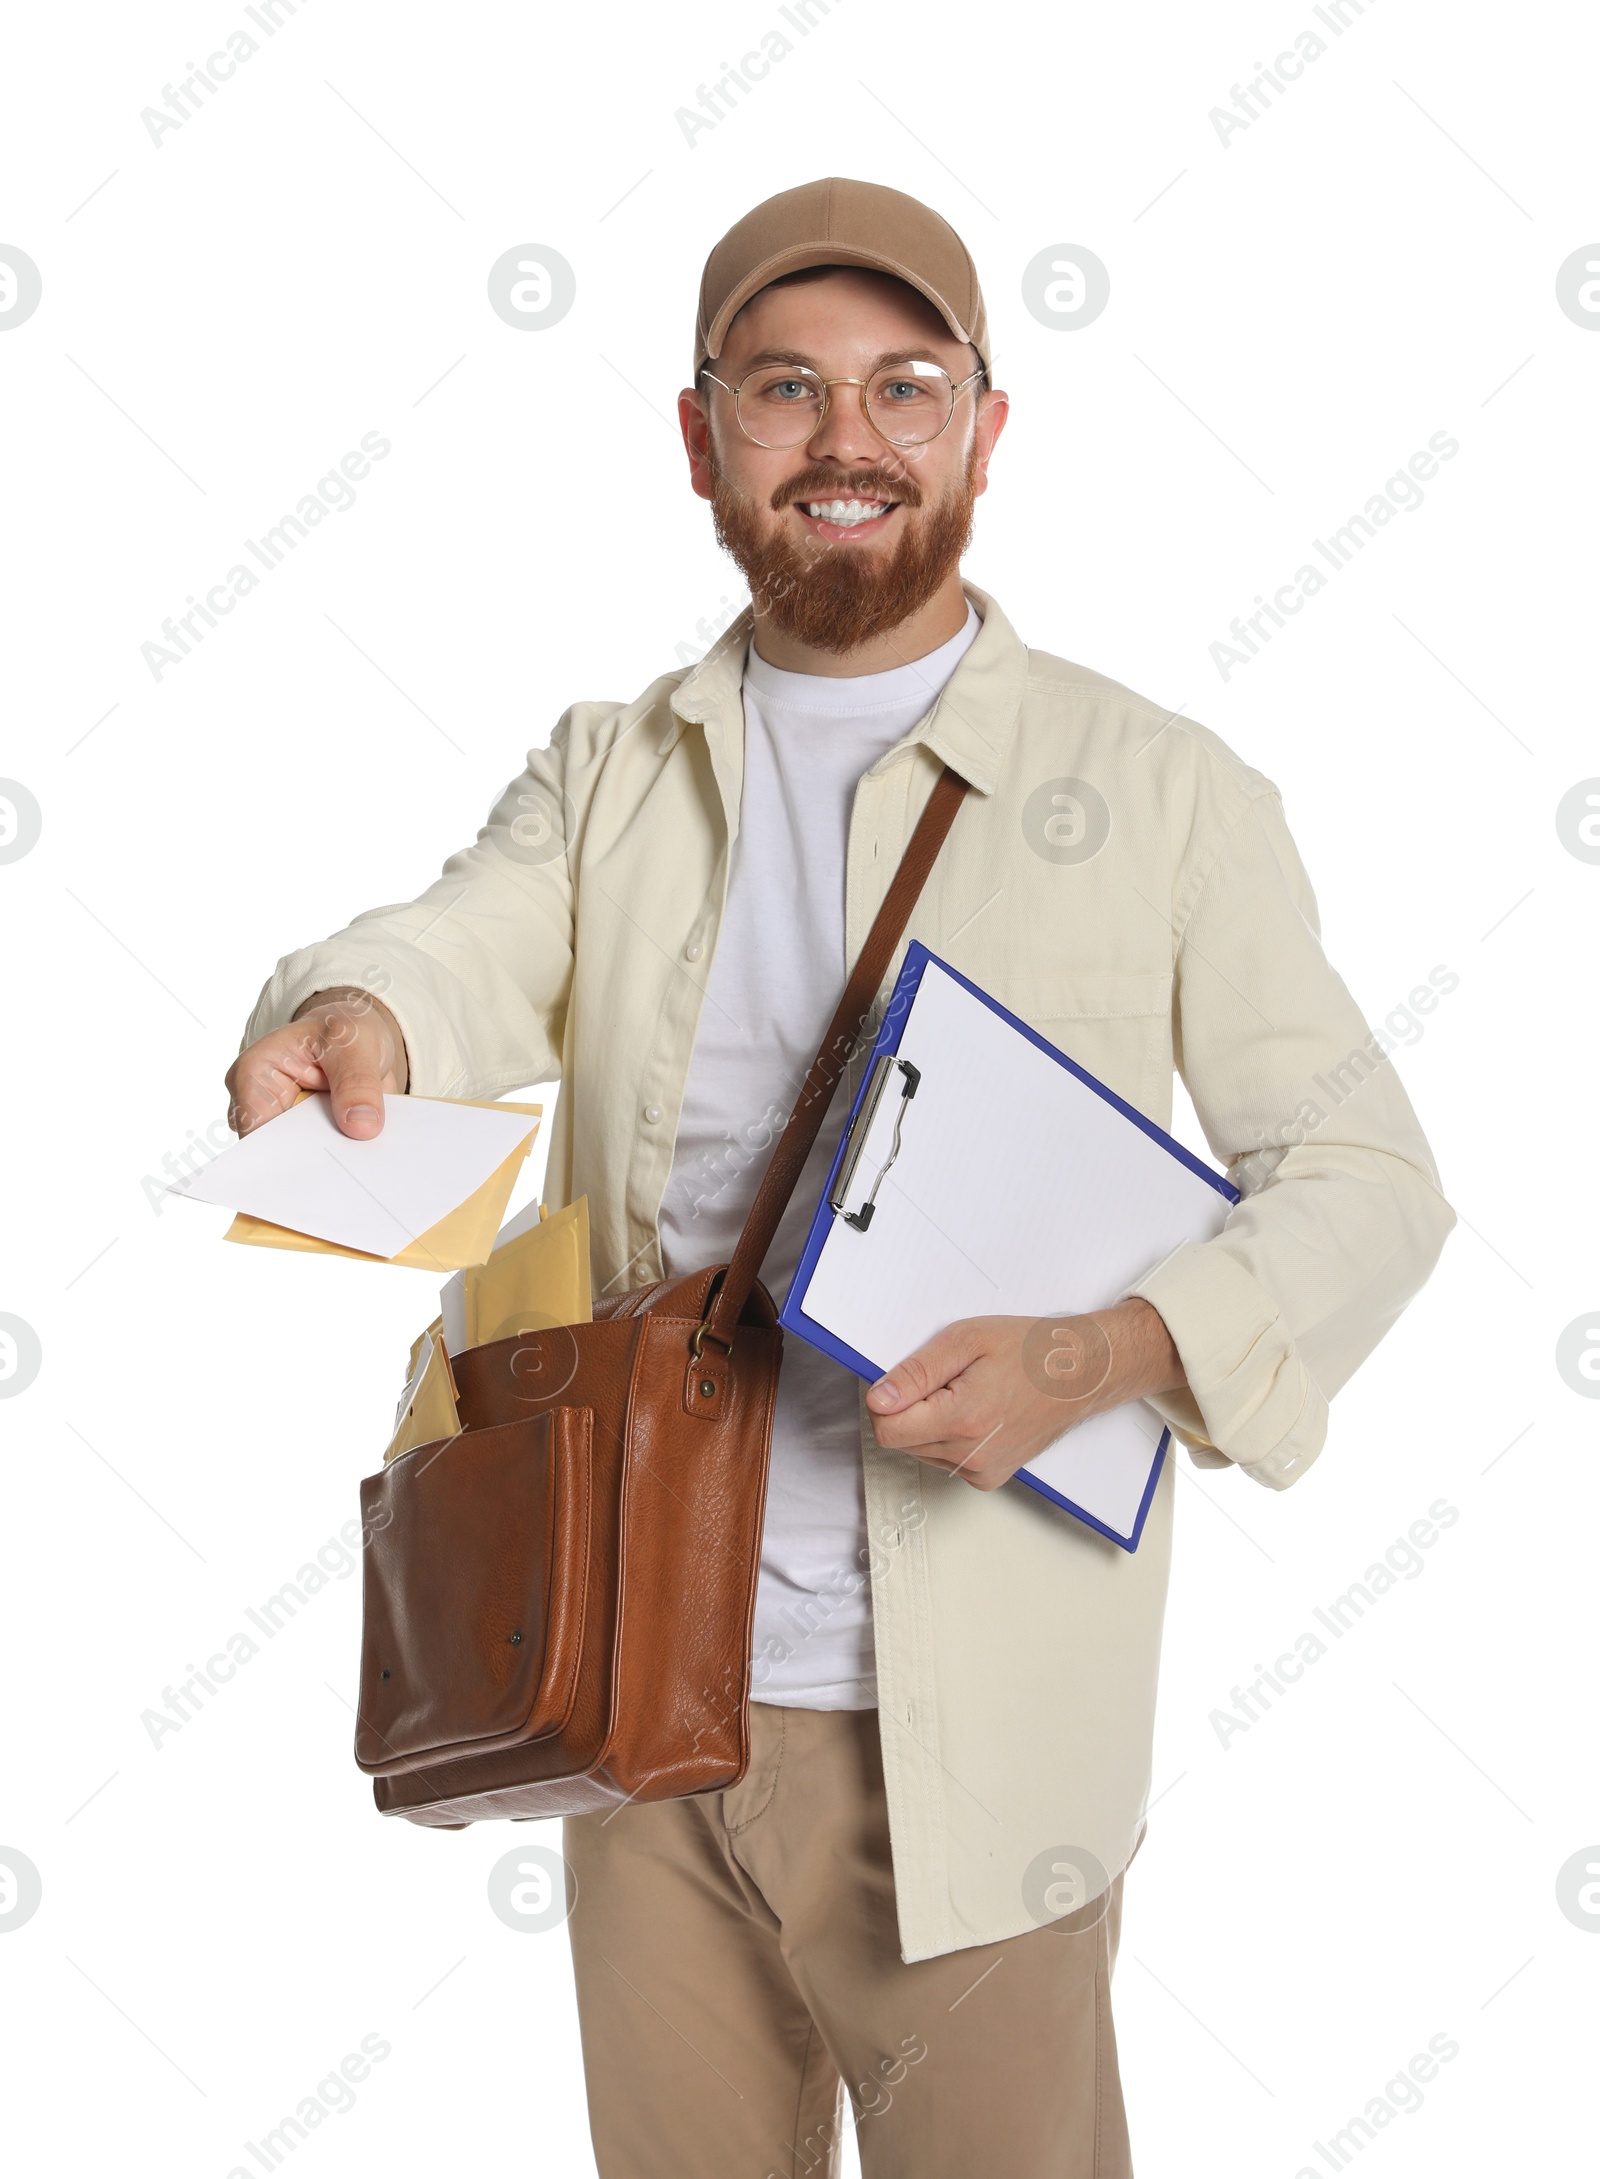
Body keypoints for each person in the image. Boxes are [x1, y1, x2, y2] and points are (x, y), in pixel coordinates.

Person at [227, 177, 1454, 2178]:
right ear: (701, 436)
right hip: (632, 1700)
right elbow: (454, 947)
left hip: (975, 1748)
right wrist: (357, 1007)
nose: (845, 439)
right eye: (786, 390)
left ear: (982, 428)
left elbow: (1365, 1178)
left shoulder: (1158, 792)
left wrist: (1106, 1348)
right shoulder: (609, 766)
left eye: (902, 386)